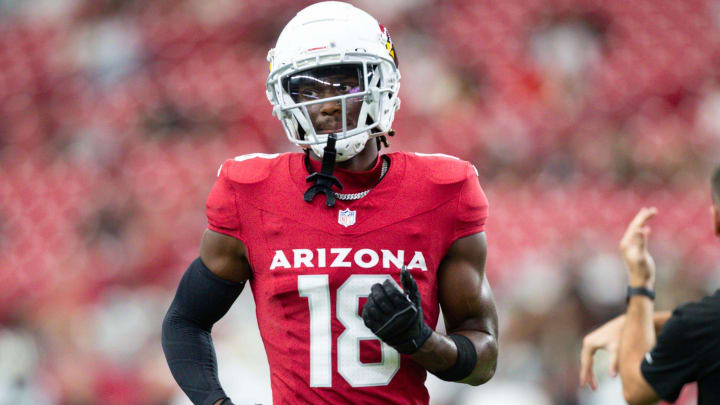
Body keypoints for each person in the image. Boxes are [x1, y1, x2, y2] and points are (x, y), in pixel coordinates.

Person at [161, 2, 498, 404]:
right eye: (307, 90)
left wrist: (423, 343)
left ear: (381, 84)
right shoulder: (250, 192)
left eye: (343, 85)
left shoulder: (443, 191)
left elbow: (484, 361)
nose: (324, 104)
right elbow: (185, 321)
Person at [579, 165, 720, 405]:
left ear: (716, 219)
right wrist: (646, 323)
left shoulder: (702, 323)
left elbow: (636, 390)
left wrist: (640, 285)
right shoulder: (702, 324)